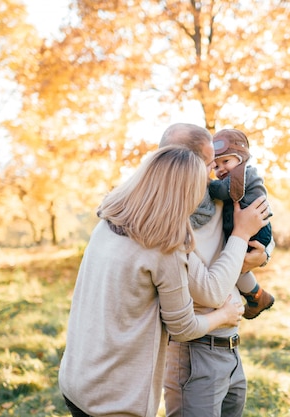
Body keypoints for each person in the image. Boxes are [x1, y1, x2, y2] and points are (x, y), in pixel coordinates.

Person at [58, 145, 269, 417]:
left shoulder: (110, 222)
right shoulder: (164, 246)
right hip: (115, 399)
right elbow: (183, 326)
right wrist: (225, 315)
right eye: (204, 177)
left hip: (78, 378)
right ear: (184, 191)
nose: (210, 182)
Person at [161, 123, 274, 417]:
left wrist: (262, 256)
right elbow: (210, 291)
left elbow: (259, 224)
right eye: (210, 163)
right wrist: (240, 236)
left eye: (217, 163)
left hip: (231, 346)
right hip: (195, 348)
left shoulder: (220, 198)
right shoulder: (170, 217)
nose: (215, 169)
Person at [209, 128, 275, 319]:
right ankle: (257, 296)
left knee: (232, 267)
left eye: (226, 162)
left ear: (241, 158)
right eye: (216, 166)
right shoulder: (236, 174)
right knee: (232, 267)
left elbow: (222, 191)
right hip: (251, 228)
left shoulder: (243, 174)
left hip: (256, 231)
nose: (220, 169)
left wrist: (205, 183)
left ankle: (258, 296)